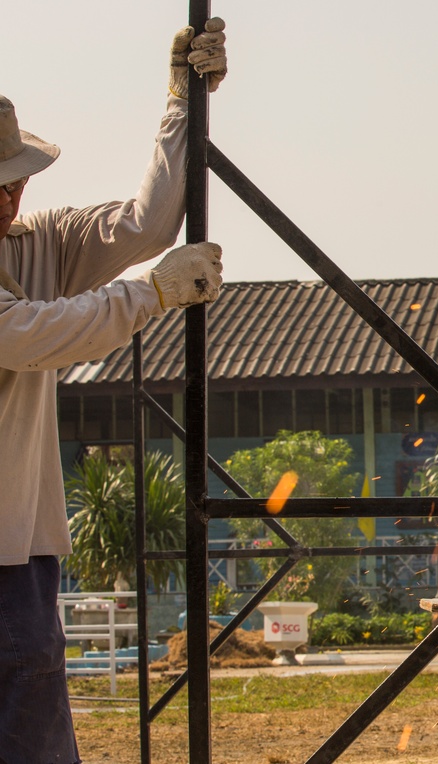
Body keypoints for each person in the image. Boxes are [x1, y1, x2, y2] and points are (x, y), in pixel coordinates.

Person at [0, 19, 228, 763]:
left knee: (32, 732)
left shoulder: (36, 244)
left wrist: (183, 107)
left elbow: (149, 222)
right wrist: (152, 296)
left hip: (20, 554)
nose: (11, 195)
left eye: (14, 178)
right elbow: (37, 335)